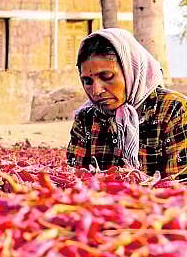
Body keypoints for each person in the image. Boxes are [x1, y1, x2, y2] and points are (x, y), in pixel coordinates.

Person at [67, 28, 187, 179]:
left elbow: (180, 184)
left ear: (131, 70)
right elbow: (74, 178)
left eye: (107, 76)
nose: (96, 91)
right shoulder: (86, 117)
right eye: (87, 81)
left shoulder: (173, 110)